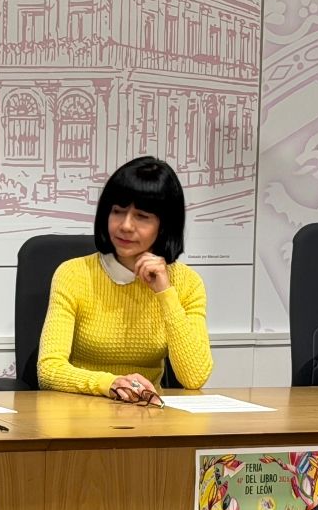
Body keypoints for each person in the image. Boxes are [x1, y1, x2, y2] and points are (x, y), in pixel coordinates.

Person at [38, 155, 212, 398]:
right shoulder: (73, 274)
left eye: (142, 216)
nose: (126, 226)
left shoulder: (187, 283)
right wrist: (111, 384)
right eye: (118, 211)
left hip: (149, 415)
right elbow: (49, 369)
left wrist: (165, 293)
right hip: (81, 412)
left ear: (164, 225)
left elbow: (194, 378)